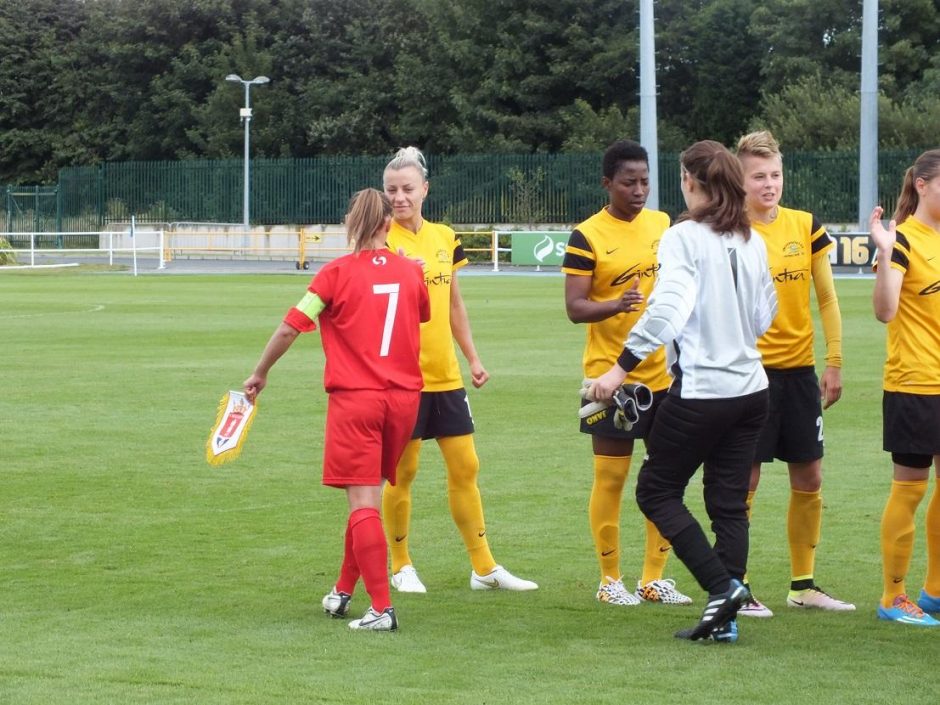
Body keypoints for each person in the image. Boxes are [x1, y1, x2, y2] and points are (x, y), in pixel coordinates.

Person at [589, 140, 778, 643]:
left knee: (656, 490)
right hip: (752, 390)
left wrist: (618, 371)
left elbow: (668, 310)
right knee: (728, 503)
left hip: (702, 392)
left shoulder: (682, 237)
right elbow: (765, 316)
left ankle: (722, 590)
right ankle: (726, 620)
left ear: (691, 182)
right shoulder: (752, 238)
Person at [243, 189, 430, 632]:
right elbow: (419, 313)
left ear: (350, 223)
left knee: (362, 502)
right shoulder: (410, 273)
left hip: (357, 400)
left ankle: (382, 608)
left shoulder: (333, 275)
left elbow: (291, 328)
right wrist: (411, 272)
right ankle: (343, 590)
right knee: (366, 497)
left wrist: (260, 372)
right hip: (404, 402)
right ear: (388, 224)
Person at [380, 146, 538, 593]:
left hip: (445, 375)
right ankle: (401, 563)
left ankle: (484, 567)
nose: (400, 197)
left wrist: (472, 357)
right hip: (401, 379)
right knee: (403, 472)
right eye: (392, 190)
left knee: (466, 466)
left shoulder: (445, 237)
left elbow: (453, 302)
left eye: (408, 189)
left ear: (425, 189)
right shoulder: (381, 240)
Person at [562, 139, 692, 607]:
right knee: (611, 479)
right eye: (628, 182)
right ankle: (609, 579)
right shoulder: (587, 235)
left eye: (644, 181)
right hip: (608, 379)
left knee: (665, 479)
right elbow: (575, 308)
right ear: (607, 183)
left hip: (663, 377)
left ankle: (653, 579)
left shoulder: (663, 225)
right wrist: (617, 304)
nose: (639, 190)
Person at [733, 130, 855, 616]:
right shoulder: (730, 231)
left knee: (809, 475)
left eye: (775, 175)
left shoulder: (804, 225)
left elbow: (826, 297)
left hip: (801, 374)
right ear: (739, 180)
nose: (769, 184)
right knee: (745, 480)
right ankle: (736, 585)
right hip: (749, 375)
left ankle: (803, 585)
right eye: (758, 176)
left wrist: (835, 361)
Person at [870, 148, 940, 627]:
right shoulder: (905, 241)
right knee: (911, 489)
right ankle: (893, 596)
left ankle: (934, 592)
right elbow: (885, 311)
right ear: (921, 185)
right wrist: (883, 248)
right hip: (915, 382)